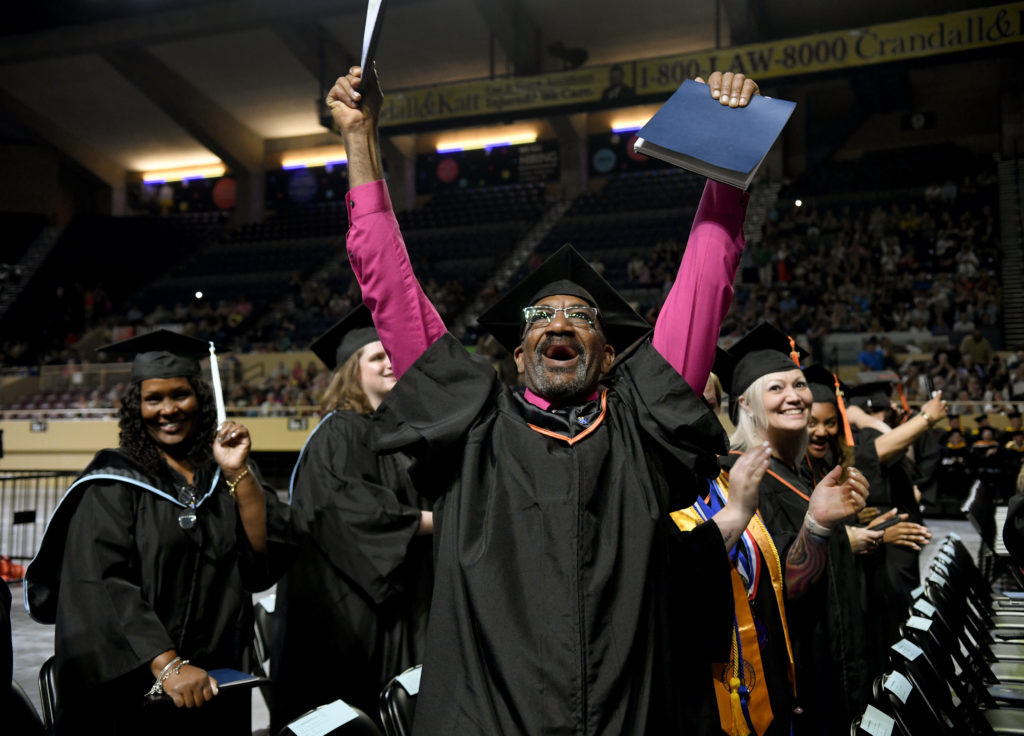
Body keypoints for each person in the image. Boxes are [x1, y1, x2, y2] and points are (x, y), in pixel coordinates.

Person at [328, 64, 762, 734]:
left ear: (610, 354)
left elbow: (706, 280)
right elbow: (388, 281)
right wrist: (361, 138)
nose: (560, 323)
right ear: (518, 355)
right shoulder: (470, 428)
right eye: (540, 320)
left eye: (581, 318)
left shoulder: (641, 427)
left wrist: (729, 150)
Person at [25, 330, 287, 736]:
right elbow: (104, 585)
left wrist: (239, 473)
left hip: (213, 680)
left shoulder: (216, 476)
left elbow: (258, 559)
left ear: (200, 398)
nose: (169, 409)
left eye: (180, 395)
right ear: (136, 407)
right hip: (133, 689)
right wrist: (169, 665)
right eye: (154, 399)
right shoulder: (113, 483)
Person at [269, 305, 434, 731]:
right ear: (350, 372)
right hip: (352, 613)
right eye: (376, 357)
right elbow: (351, 510)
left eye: (392, 354)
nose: (388, 363)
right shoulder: (341, 431)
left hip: (393, 603)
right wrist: (439, 521)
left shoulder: (396, 435)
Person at [719, 324, 870, 736]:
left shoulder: (801, 471)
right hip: (795, 673)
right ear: (746, 404)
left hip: (834, 657)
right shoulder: (737, 476)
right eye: (776, 388)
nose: (795, 396)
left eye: (799, 384)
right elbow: (773, 586)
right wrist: (818, 526)